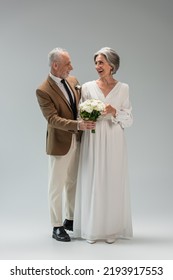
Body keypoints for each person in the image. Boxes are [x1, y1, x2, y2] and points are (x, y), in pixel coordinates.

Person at [73, 47, 133, 244]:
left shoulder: (123, 88)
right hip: (93, 138)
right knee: (93, 179)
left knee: (112, 180)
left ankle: (110, 230)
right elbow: (79, 114)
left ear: (112, 65)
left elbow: (129, 119)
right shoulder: (87, 87)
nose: (97, 66)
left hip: (114, 138)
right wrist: (87, 118)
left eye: (101, 62)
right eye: (96, 62)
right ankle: (92, 229)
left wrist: (114, 111)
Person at [36, 47, 95, 242]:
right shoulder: (43, 90)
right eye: (67, 64)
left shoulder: (73, 81)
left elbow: (78, 106)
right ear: (55, 65)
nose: (72, 67)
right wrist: (77, 124)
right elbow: (52, 119)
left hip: (77, 140)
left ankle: (70, 219)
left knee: (72, 182)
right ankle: (56, 226)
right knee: (56, 186)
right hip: (60, 144)